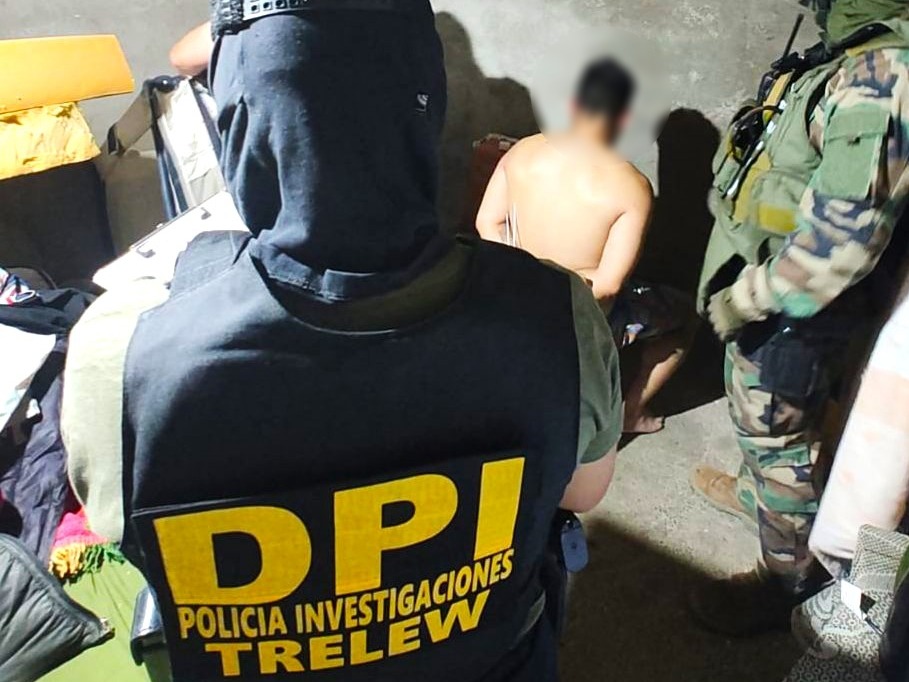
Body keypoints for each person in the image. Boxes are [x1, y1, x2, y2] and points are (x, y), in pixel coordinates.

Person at [62, 2, 624, 680]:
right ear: (426, 110)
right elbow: (583, 491)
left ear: (238, 123)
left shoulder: (124, 348)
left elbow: (117, 526)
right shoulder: (555, 312)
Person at [690, 0, 909, 636]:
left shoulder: (884, 71)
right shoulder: (851, 51)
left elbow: (840, 245)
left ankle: (786, 580)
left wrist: (745, 300)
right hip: (777, 293)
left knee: (780, 441)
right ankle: (760, 496)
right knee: (763, 428)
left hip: (796, 311)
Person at [476, 58, 697, 435]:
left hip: (514, 297)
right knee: (687, 318)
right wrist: (555, 283)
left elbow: (487, 222)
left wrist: (528, 275)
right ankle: (631, 415)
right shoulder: (632, 188)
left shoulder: (523, 151)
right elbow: (607, 286)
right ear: (628, 120)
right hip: (580, 320)